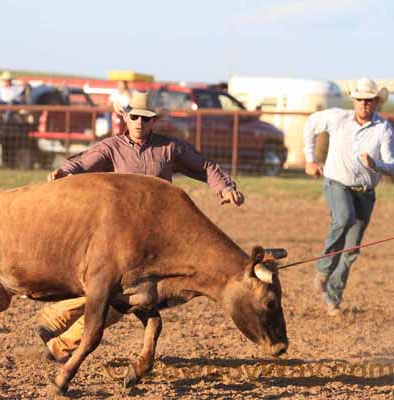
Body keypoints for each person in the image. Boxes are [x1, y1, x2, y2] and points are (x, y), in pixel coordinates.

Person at [37, 91, 245, 362]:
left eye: (145, 119)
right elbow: (82, 162)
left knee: (121, 292)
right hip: (121, 235)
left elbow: (204, 166)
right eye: (134, 117)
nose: (139, 123)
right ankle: (61, 339)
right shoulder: (112, 147)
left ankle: (58, 320)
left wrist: (225, 188)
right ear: (126, 118)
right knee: (120, 294)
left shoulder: (169, 148)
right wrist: (65, 173)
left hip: (158, 237)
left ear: (153, 122)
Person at [303, 78, 394, 317]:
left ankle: (332, 297)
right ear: (354, 101)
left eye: (369, 100)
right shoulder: (338, 117)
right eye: (360, 100)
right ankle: (324, 268)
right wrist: (309, 158)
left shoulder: (383, 129)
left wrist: (376, 165)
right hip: (338, 183)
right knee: (344, 218)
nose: (364, 104)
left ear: (376, 102)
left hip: (365, 193)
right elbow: (311, 125)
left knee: (351, 250)